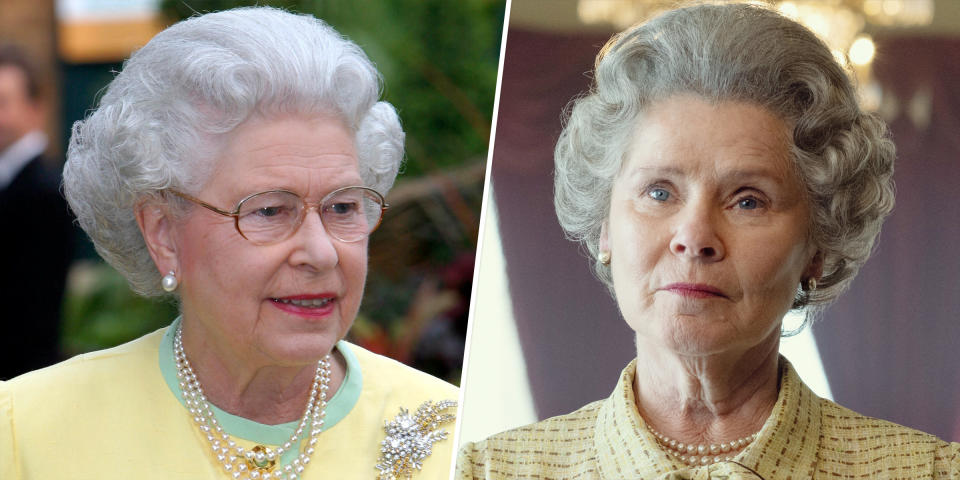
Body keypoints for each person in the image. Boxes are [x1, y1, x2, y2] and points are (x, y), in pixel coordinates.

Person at [457, 3, 959, 479]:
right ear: (605, 225)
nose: (695, 238)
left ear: (819, 245)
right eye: (659, 192)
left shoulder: (932, 471)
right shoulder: (486, 470)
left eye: (748, 201)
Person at [0, 8, 457, 479]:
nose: (321, 253)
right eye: (269, 210)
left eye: (342, 208)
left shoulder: (459, 438)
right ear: (163, 233)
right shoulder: (25, 432)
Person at [0, 44, 74, 380]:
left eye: (2, 103)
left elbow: (32, 312)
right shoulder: (14, 182)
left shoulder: (43, 192)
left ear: (35, 108)